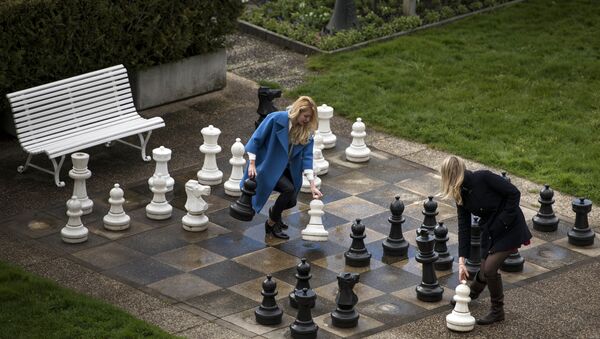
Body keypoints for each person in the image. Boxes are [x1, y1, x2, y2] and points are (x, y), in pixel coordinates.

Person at [440, 155, 532, 325]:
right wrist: (461, 261)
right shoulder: (459, 193)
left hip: (510, 226)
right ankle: (471, 294)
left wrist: (504, 220)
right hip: (490, 230)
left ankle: (498, 311)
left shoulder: (483, 177)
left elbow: (514, 193)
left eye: (451, 174)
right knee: (484, 269)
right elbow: (464, 227)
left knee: (489, 269)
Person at [242, 96, 323, 239]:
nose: (307, 120)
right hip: (268, 166)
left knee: (291, 200)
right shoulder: (276, 118)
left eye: (310, 117)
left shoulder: (306, 131)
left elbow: (307, 158)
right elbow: (256, 139)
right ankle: (271, 223)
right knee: (288, 189)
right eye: (306, 116)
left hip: (288, 169)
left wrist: (312, 184)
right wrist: (252, 163)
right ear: (298, 111)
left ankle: (275, 212)